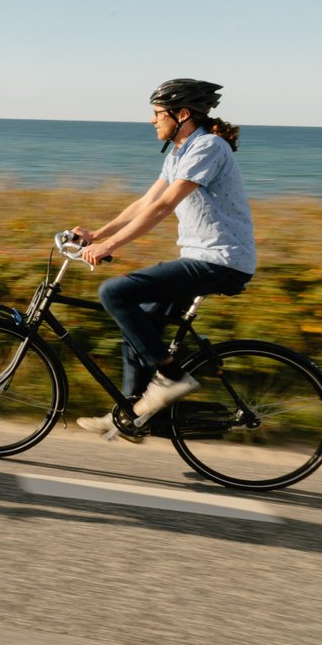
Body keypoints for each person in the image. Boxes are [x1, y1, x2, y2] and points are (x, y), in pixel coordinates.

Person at [71, 78, 256, 438]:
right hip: (205, 258)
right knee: (139, 323)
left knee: (114, 293)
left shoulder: (208, 147)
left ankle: (172, 378)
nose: (153, 121)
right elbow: (145, 201)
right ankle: (133, 414)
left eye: (158, 114)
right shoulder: (180, 152)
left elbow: (162, 207)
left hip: (220, 260)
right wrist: (97, 234)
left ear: (182, 114)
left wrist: (110, 247)